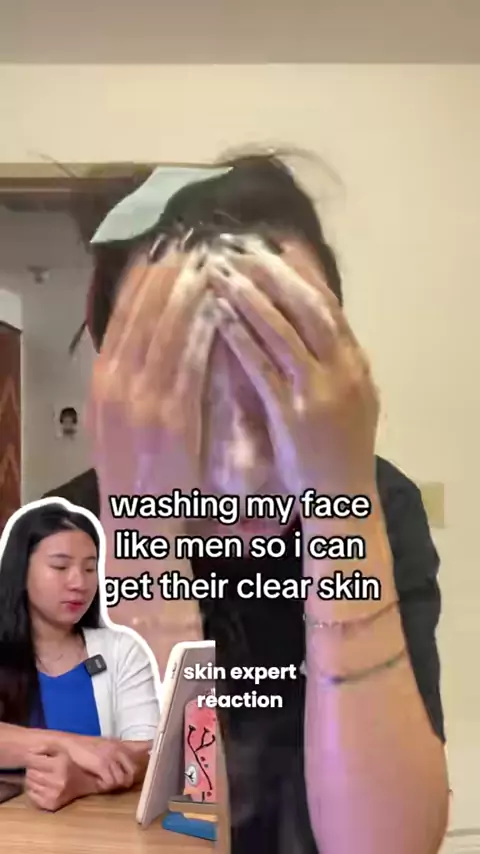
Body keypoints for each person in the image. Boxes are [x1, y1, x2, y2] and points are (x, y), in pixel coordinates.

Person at [46, 154, 449, 852]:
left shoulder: (382, 504)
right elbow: (173, 835)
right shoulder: (63, 538)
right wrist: (148, 551)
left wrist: (339, 510)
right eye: (185, 382)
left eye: (281, 363)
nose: (240, 457)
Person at [0, 501, 160, 812]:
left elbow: (149, 752)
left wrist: (84, 782)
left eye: (89, 568)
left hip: (92, 830)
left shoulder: (122, 651)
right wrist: (72, 744)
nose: (79, 583)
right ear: (21, 571)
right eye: (60, 567)